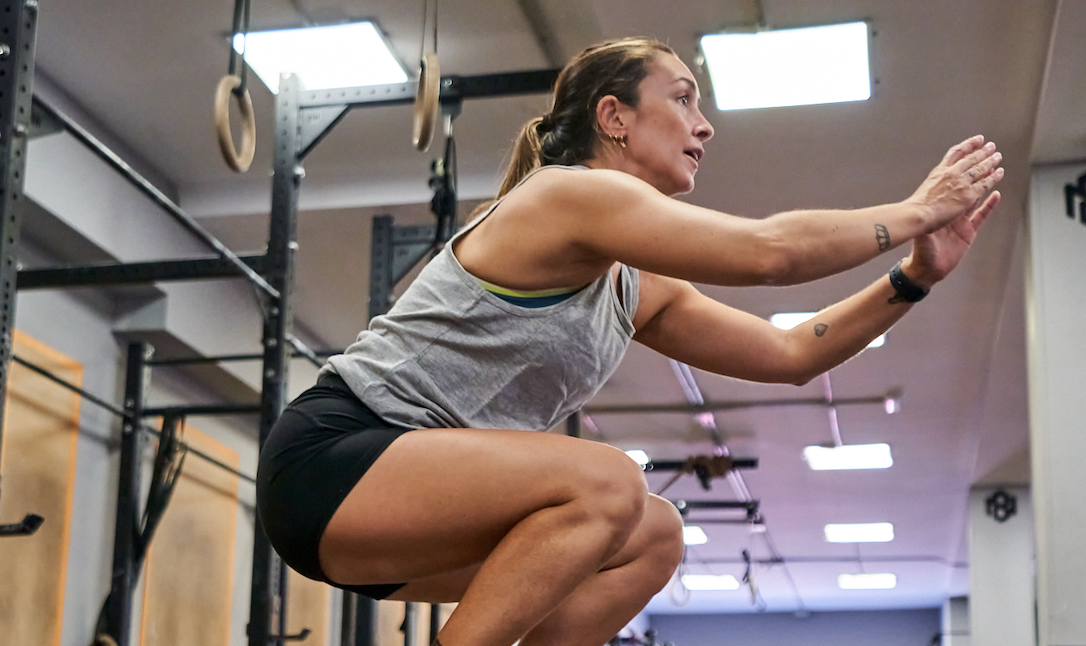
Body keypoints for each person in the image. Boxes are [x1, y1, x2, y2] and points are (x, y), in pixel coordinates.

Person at [256, 37, 1002, 646]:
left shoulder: (633, 284)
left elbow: (791, 355)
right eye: (682, 99)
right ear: (614, 116)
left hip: (408, 517)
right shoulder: (562, 194)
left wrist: (914, 277)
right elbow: (770, 253)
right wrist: (917, 211)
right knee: (607, 479)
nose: (703, 125)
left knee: (653, 532)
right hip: (333, 466)